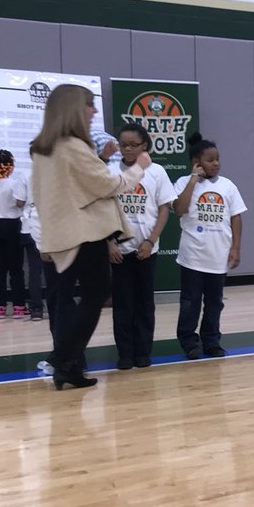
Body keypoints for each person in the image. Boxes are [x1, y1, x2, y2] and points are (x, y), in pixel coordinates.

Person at [29, 83, 150, 390]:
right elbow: (107, 185)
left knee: (73, 299)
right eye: (90, 105)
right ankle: (61, 358)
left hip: (63, 234)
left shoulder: (46, 147)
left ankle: (67, 366)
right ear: (73, 108)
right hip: (83, 233)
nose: (95, 111)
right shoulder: (71, 146)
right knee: (96, 295)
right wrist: (139, 168)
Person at [173, 132, 246, 360]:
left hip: (218, 256)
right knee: (190, 303)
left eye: (217, 159)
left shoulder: (228, 185)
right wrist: (194, 179)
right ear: (196, 162)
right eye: (210, 159)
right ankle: (189, 341)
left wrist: (235, 248)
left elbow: (236, 217)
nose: (216, 163)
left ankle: (211, 341)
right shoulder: (184, 183)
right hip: (193, 255)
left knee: (214, 303)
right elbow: (179, 209)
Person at [108, 123, 175, 369]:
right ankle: (125, 354)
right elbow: (101, 210)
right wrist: (108, 243)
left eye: (132, 145)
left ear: (144, 145)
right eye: (122, 144)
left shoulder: (156, 171)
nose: (126, 149)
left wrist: (150, 240)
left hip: (146, 249)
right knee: (123, 304)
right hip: (118, 250)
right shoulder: (110, 170)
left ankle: (143, 352)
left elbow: (164, 209)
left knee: (144, 303)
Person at [0, 149, 28, 318]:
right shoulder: (14, 184)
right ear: (10, 166)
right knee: (16, 269)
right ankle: (18, 306)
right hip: (12, 226)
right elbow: (20, 204)